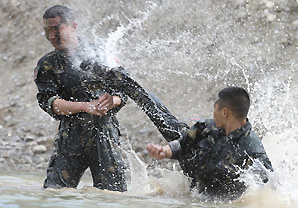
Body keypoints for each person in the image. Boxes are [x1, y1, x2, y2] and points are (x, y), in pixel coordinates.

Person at [34, 5, 128, 191]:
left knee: (112, 197)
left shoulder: (99, 53)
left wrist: (113, 101)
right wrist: (85, 106)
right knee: (54, 193)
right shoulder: (47, 64)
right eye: (47, 31)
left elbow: (124, 91)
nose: (52, 37)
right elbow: (49, 103)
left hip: (105, 137)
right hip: (70, 138)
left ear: (72, 26)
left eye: (56, 30)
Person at [146, 87, 273, 200]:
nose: (213, 113)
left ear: (224, 112)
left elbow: (268, 191)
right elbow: (182, 144)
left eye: (214, 109)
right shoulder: (206, 127)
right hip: (193, 192)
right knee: (159, 116)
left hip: (221, 202)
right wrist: (164, 151)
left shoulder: (253, 149)